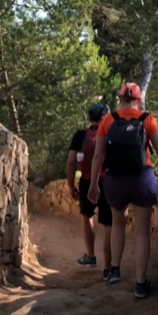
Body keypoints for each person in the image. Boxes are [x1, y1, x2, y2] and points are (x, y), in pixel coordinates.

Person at [88, 83, 158, 299]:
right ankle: (141, 284)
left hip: (115, 180)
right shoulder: (147, 119)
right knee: (142, 232)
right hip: (142, 177)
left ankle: (114, 270)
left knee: (117, 224)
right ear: (138, 100)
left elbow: (98, 156)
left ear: (120, 99)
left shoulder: (108, 119)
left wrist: (94, 184)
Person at [67, 103, 113, 280]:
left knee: (87, 216)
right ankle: (108, 267)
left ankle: (91, 256)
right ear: (105, 117)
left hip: (87, 182)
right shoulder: (112, 133)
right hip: (109, 181)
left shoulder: (80, 135)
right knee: (108, 224)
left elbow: (71, 162)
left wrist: (71, 185)